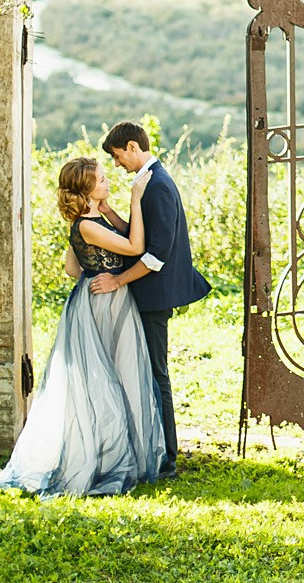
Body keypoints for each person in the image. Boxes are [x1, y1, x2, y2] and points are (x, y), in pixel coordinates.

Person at [0, 156, 167, 497]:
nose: (107, 183)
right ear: (87, 190)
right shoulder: (87, 226)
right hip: (104, 304)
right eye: (102, 181)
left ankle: (112, 450)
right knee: (101, 379)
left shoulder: (86, 222)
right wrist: (134, 201)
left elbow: (72, 270)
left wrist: (99, 263)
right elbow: (135, 247)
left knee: (114, 374)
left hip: (102, 300)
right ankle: (104, 456)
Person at [87, 121, 211, 480]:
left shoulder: (157, 186)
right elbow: (137, 236)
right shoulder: (149, 182)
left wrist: (117, 281)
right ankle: (150, 449)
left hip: (153, 297)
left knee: (157, 375)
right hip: (148, 295)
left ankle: (168, 460)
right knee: (146, 372)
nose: (116, 165)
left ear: (131, 146)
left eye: (116, 157)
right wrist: (110, 210)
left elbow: (155, 255)